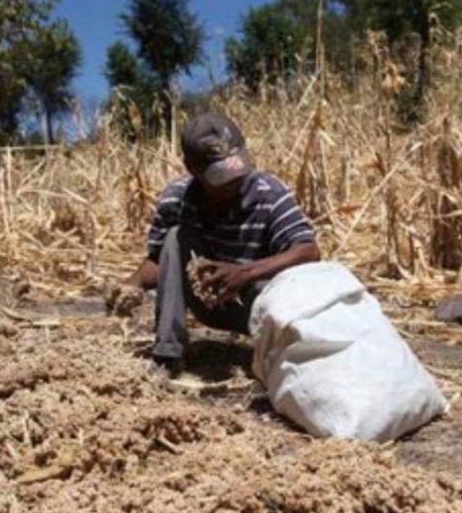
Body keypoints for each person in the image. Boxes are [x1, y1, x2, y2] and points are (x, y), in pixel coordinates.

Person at [106, 112, 320, 375]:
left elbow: (308, 250)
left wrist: (244, 273)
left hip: (262, 305)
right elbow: (163, 259)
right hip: (209, 301)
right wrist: (132, 284)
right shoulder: (176, 199)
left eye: (237, 168)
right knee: (175, 236)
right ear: (192, 169)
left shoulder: (270, 193)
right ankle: (168, 354)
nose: (232, 181)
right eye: (220, 175)